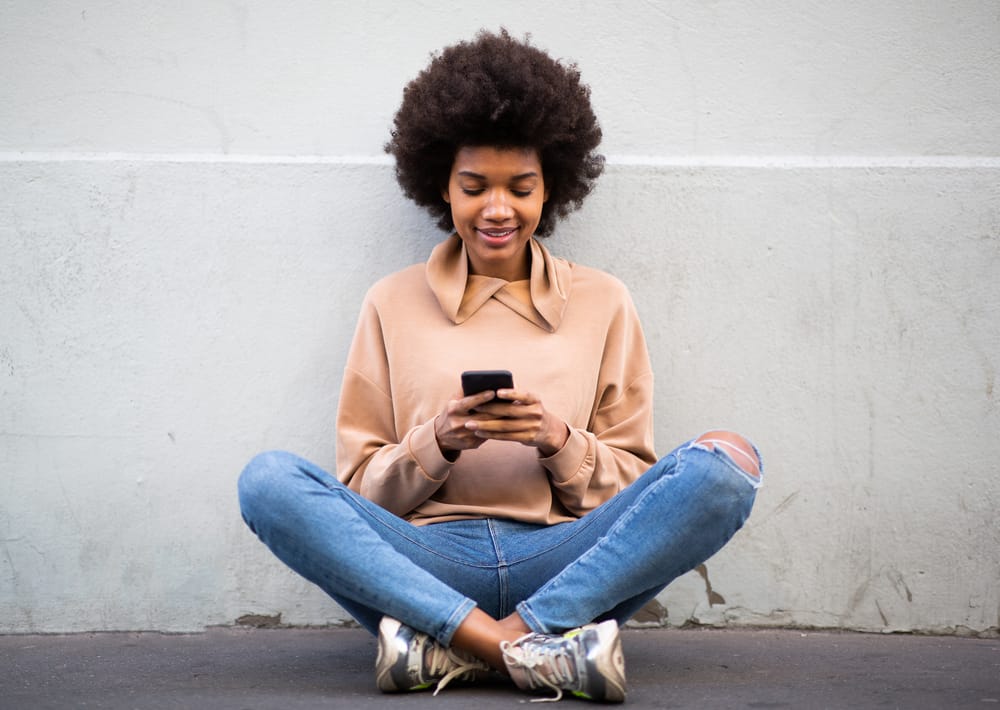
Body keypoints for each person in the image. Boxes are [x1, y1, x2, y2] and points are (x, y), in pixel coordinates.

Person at [238, 29, 761, 704]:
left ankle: (462, 648)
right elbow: (360, 495)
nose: (497, 209)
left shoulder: (604, 300)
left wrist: (558, 441)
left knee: (728, 464)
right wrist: (438, 443)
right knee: (269, 482)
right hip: (426, 565)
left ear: (551, 191)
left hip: (563, 562)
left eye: (521, 187)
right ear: (442, 189)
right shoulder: (389, 302)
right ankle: (528, 652)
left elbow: (637, 493)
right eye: (474, 186)